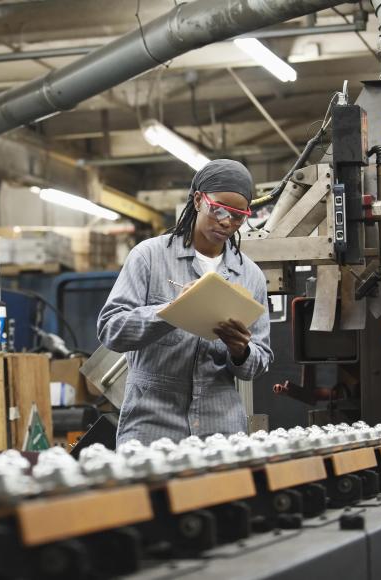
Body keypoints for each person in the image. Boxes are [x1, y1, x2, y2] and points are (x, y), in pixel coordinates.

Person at [97, 159, 272, 445]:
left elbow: (259, 361)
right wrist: (169, 312)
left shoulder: (249, 275)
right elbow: (111, 330)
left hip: (221, 427)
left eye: (238, 216)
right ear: (198, 200)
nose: (227, 221)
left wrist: (241, 351)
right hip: (152, 422)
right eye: (218, 209)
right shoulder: (149, 257)